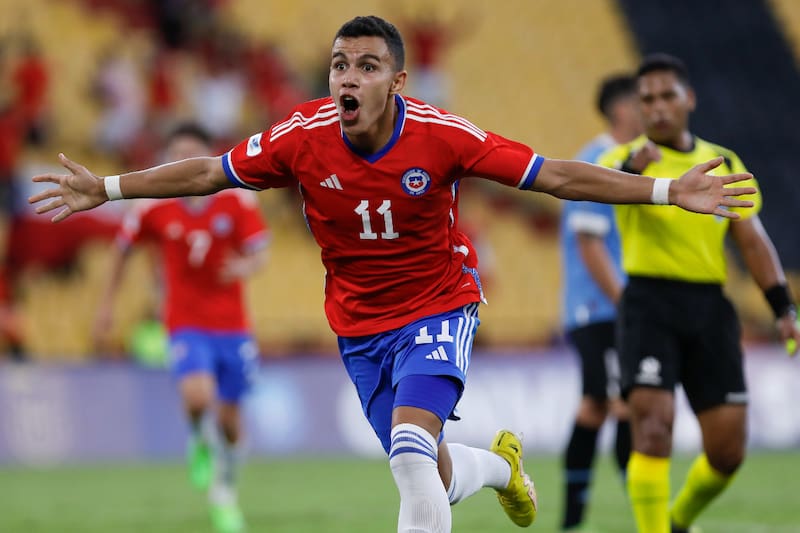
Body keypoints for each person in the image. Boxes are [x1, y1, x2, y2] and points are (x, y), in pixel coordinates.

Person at [30, 17, 756, 533]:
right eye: (340, 65)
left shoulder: (442, 135)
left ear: (397, 80)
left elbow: (557, 176)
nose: (348, 78)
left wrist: (666, 190)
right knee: (430, 469)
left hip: (439, 306)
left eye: (367, 66)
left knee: (410, 458)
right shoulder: (301, 136)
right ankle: (502, 469)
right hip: (358, 326)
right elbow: (207, 171)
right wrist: (111, 187)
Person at [596, 53, 800, 533]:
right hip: (647, 304)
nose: (658, 107)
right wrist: (633, 166)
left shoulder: (723, 163)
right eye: (647, 99)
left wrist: (782, 307)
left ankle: (679, 520)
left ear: (689, 98)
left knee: (727, 451)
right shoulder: (620, 162)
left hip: (710, 307)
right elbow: (599, 188)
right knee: (651, 427)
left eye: (668, 95)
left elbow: (751, 239)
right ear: (639, 109)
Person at [92, 122, 270, 533]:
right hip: (184, 320)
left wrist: (244, 265)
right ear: (169, 159)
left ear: (206, 157)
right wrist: (106, 306)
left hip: (233, 325)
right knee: (197, 397)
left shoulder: (236, 201)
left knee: (229, 422)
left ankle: (225, 492)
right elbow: (121, 252)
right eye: (177, 154)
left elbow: (260, 252)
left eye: (192, 153)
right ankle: (197, 440)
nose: (184, 161)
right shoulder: (152, 206)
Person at [559, 73, 644, 531]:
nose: (649, 109)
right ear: (620, 109)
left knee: (597, 404)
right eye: (641, 101)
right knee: (622, 403)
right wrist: (626, 299)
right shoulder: (598, 160)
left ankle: (573, 520)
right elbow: (590, 245)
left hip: (611, 307)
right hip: (597, 308)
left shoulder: (632, 160)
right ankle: (648, 514)